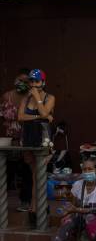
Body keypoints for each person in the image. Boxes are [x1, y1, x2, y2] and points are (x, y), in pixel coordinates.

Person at [35, 158, 96, 241]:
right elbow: (71, 204)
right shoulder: (78, 184)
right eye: (85, 169)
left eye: (90, 169)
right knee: (67, 221)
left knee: (90, 218)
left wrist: (77, 209)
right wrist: (66, 212)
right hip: (81, 218)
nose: (87, 172)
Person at [18, 69, 55, 213]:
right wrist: (38, 117)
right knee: (34, 173)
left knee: (38, 174)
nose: (34, 84)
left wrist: (37, 98)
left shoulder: (49, 98)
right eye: (31, 81)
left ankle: (36, 207)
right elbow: (20, 117)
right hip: (28, 139)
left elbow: (45, 112)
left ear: (43, 83)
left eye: (37, 81)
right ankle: (36, 207)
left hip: (43, 140)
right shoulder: (25, 99)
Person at [1, 68, 31, 211]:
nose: (22, 83)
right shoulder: (7, 96)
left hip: (27, 139)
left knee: (26, 171)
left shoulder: (32, 97)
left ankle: (25, 201)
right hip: (9, 139)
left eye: (26, 81)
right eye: (20, 80)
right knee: (6, 171)